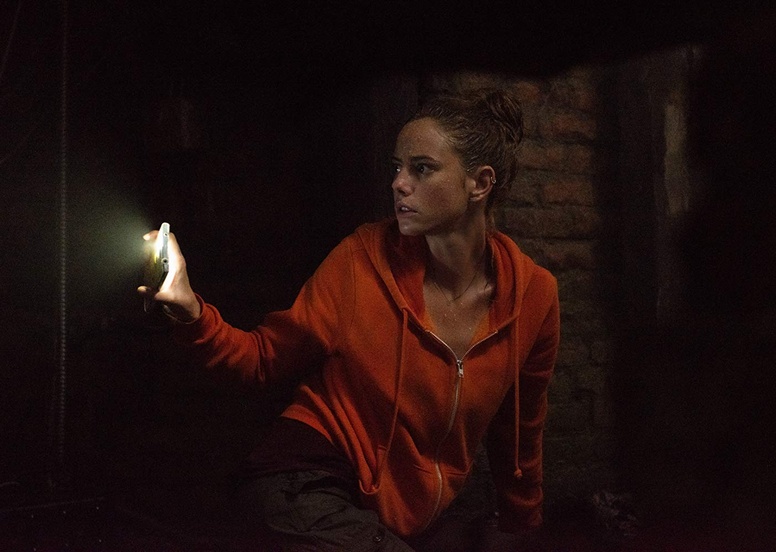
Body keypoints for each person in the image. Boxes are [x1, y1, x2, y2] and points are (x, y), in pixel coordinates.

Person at [138, 87, 560, 551]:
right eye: (397, 168)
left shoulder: (534, 296)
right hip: (305, 480)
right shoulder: (362, 260)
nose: (399, 184)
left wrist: (524, 525)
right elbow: (261, 359)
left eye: (421, 168)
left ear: (479, 184)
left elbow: (519, 432)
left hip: (408, 513)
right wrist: (191, 311)